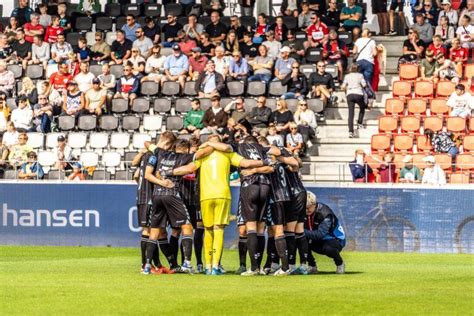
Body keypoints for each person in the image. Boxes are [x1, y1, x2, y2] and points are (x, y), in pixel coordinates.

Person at [166, 134, 266, 275]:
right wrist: (264, 162)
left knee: (207, 229)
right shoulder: (228, 154)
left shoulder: (202, 156)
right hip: (222, 195)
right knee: (218, 229)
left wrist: (169, 172)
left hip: (205, 196)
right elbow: (247, 163)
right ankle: (215, 266)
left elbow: (188, 168)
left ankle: (207, 266)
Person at [304, 192, 346, 274]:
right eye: (304, 208)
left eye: (308, 207)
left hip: (334, 239)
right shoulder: (303, 212)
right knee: (300, 241)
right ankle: (312, 266)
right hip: (317, 240)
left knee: (328, 249)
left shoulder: (325, 213)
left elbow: (320, 234)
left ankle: (340, 263)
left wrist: (301, 231)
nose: (306, 210)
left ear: (314, 204)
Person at [342, 63, 367, 138]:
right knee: (362, 107)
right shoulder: (360, 75)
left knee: (351, 114)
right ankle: (359, 123)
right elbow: (364, 85)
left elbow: (343, 86)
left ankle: (350, 132)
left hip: (350, 94)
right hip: (358, 94)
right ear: (358, 69)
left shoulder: (347, 76)